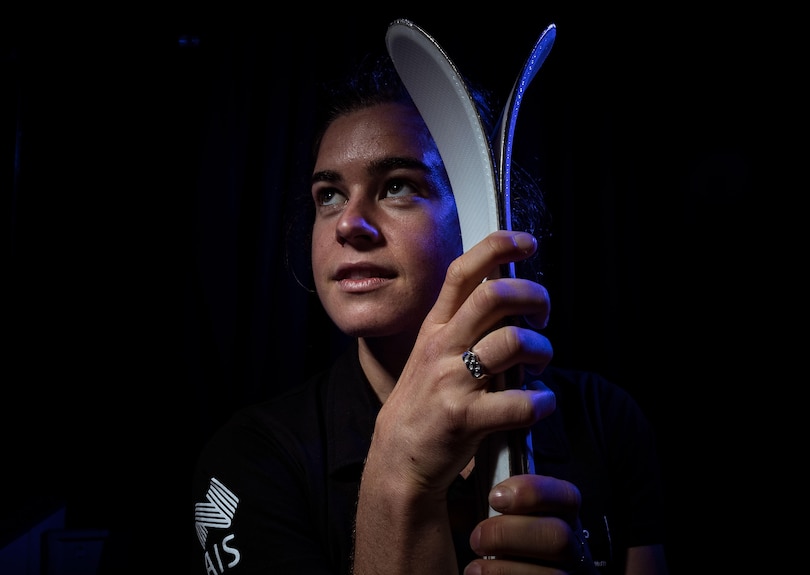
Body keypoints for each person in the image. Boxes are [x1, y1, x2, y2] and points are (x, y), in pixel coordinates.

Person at [191, 43, 669, 575]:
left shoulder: (606, 420)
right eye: (328, 195)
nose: (347, 224)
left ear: (479, 217)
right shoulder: (251, 457)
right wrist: (397, 480)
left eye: (396, 186)